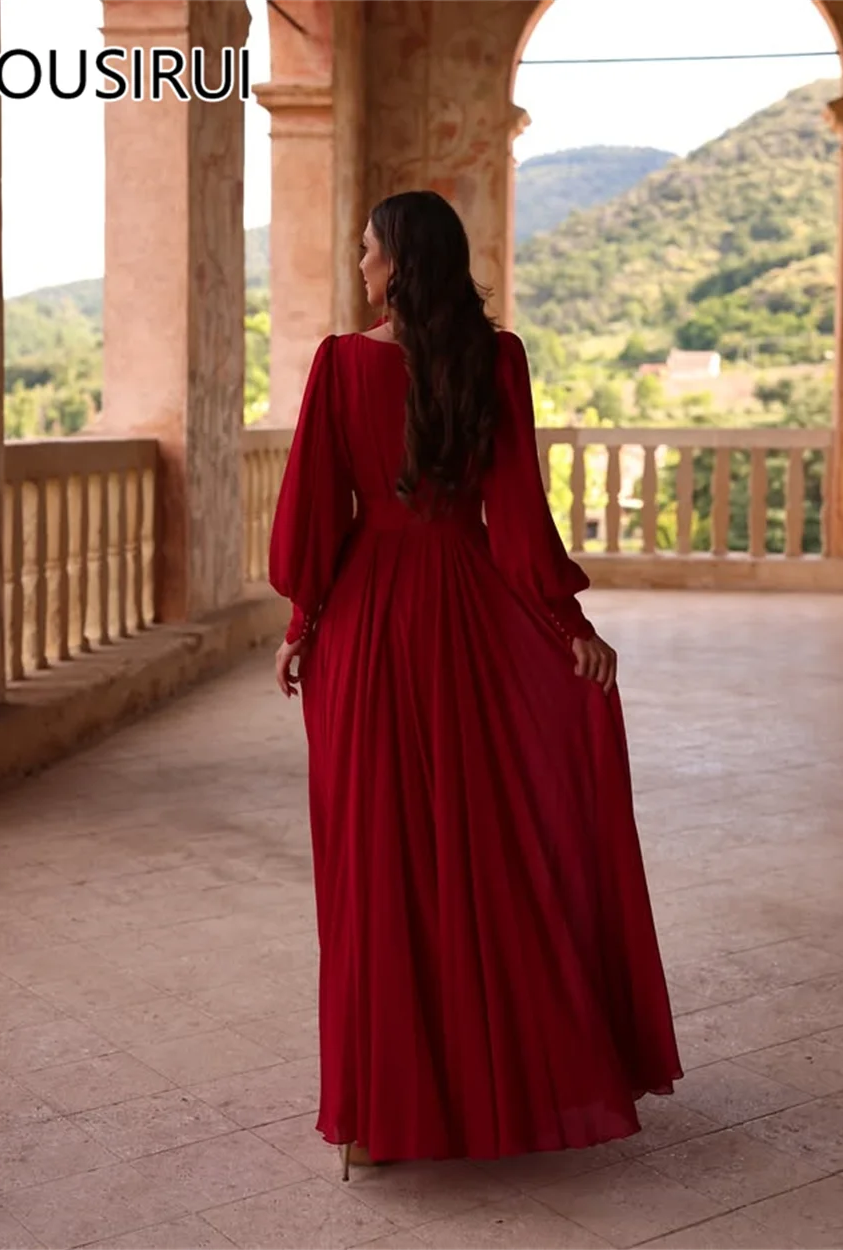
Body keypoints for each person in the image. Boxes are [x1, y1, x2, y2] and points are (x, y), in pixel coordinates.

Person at [269, 190, 682, 1181]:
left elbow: (315, 522)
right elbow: (516, 517)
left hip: (368, 625)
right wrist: (564, 626)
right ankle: (495, 1080)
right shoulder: (495, 358)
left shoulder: (339, 363)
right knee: (480, 846)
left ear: (400, 263)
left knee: (375, 858)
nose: (360, 264)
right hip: (464, 610)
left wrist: (301, 625)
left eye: (368, 250)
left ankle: (372, 1121)